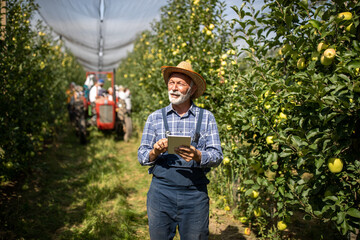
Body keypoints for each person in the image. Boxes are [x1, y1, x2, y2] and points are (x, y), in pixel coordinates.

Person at [138, 61, 223, 240]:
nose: (174, 88)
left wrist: (198, 155)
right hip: (161, 193)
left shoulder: (206, 118)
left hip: (194, 195)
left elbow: (217, 155)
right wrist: (154, 152)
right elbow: (141, 155)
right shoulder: (155, 118)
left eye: (180, 84)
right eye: (171, 82)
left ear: (191, 90)